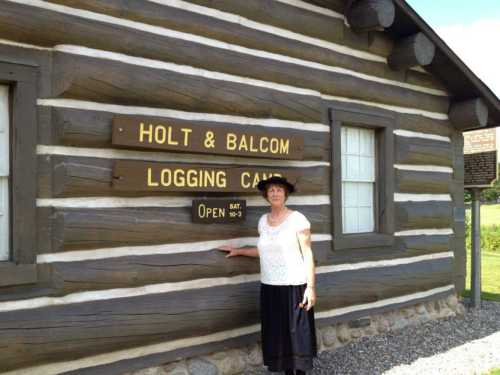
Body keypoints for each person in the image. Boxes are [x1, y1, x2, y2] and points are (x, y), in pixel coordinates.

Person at [218, 176, 317, 375]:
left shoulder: (297, 219)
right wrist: (240, 251)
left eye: (279, 190)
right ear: (266, 195)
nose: (275, 193)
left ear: (285, 194)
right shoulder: (263, 221)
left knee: (296, 337)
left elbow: (307, 253)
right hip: (271, 286)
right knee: (279, 335)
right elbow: (264, 250)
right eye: (271, 190)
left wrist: (311, 288)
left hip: (294, 285)